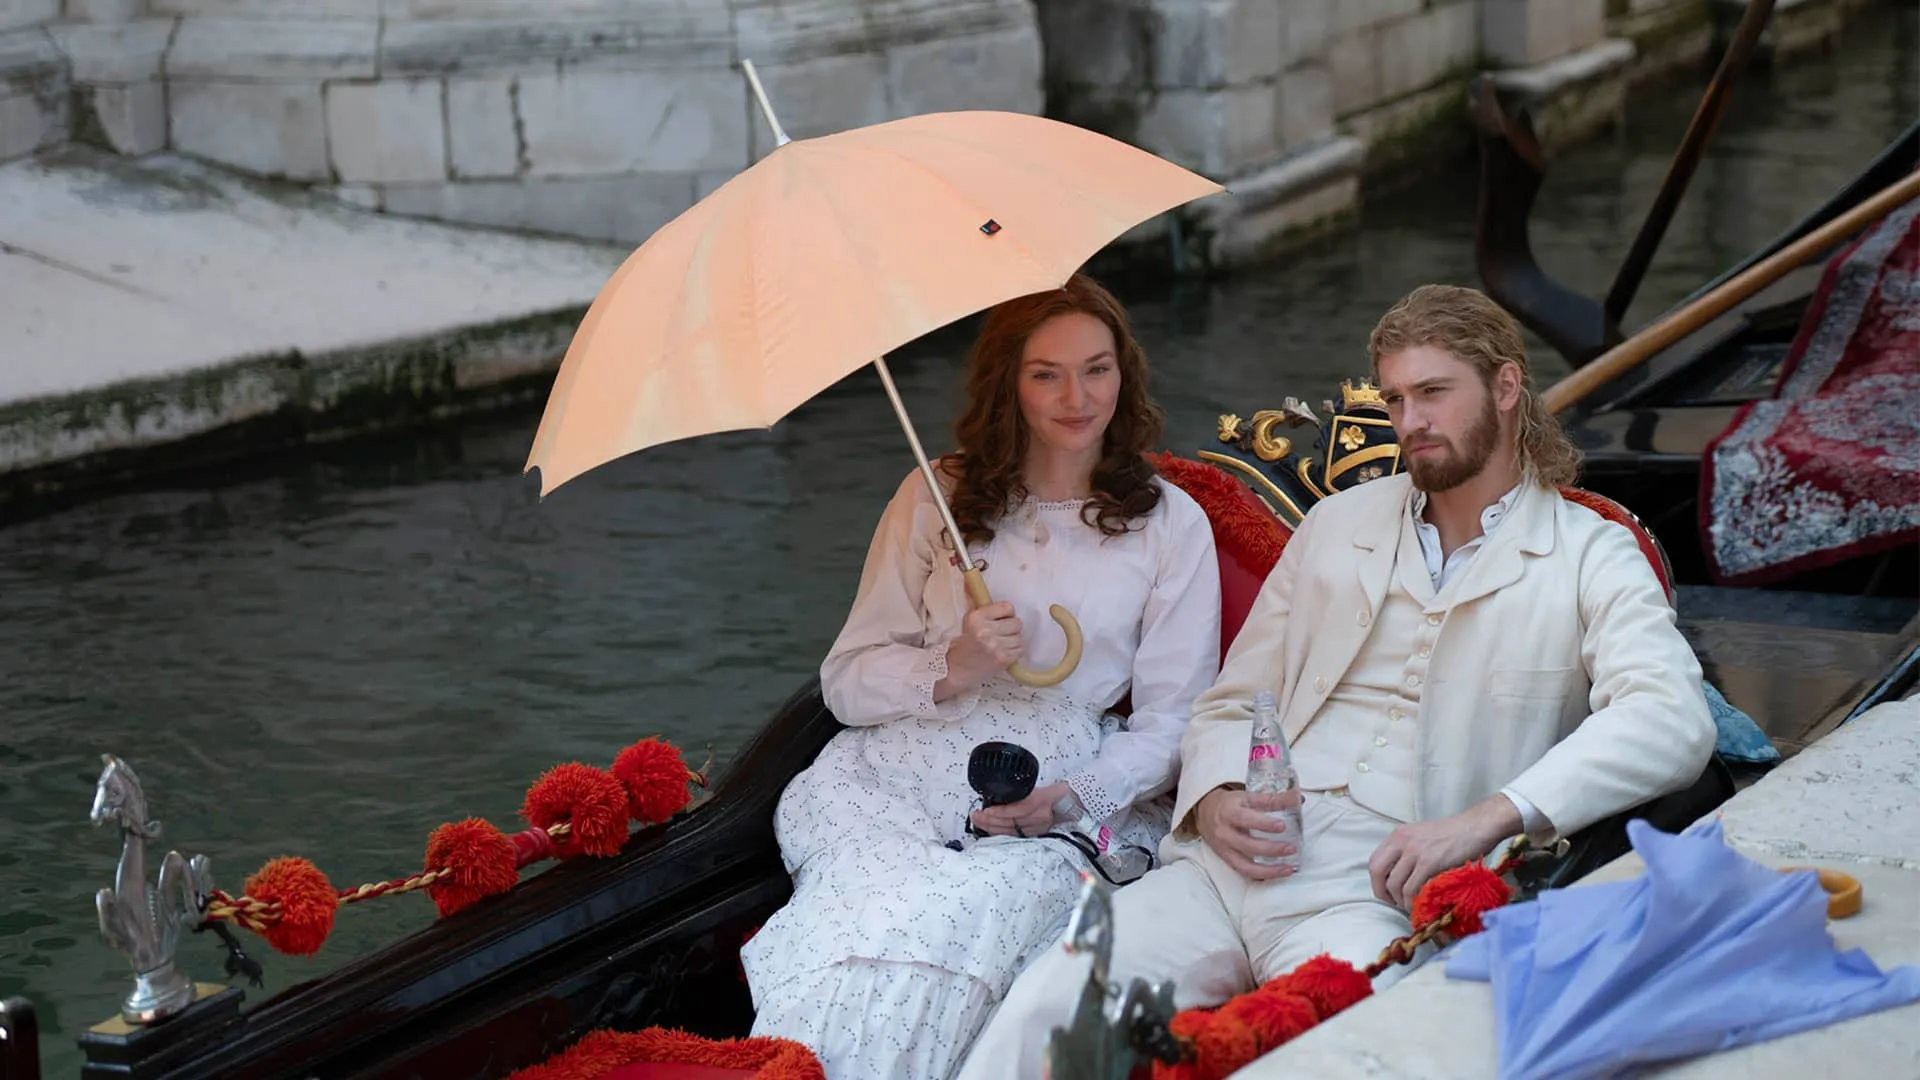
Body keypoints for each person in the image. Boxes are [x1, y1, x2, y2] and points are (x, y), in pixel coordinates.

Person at [956, 283, 1719, 1078]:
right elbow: (1231, 700)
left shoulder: (1587, 553)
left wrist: (1486, 821)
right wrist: (1216, 799)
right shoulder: (1337, 524)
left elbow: (1671, 720)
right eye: (1395, 398)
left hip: (1376, 894)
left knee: (1346, 1060)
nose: (1411, 421)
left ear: (1504, 387)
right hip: (1222, 874)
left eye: (1433, 393)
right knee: (1049, 1006)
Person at [739, 273, 1223, 1080]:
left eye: (1097, 369)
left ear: (1125, 374)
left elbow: (1175, 723)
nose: (1079, 397)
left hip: (1064, 783)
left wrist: (1072, 800)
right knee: (864, 924)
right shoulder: (936, 498)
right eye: (1047, 374)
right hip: (893, 778)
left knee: (962, 916)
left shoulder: (1169, 524)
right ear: (1008, 385)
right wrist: (951, 667)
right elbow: (847, 683)